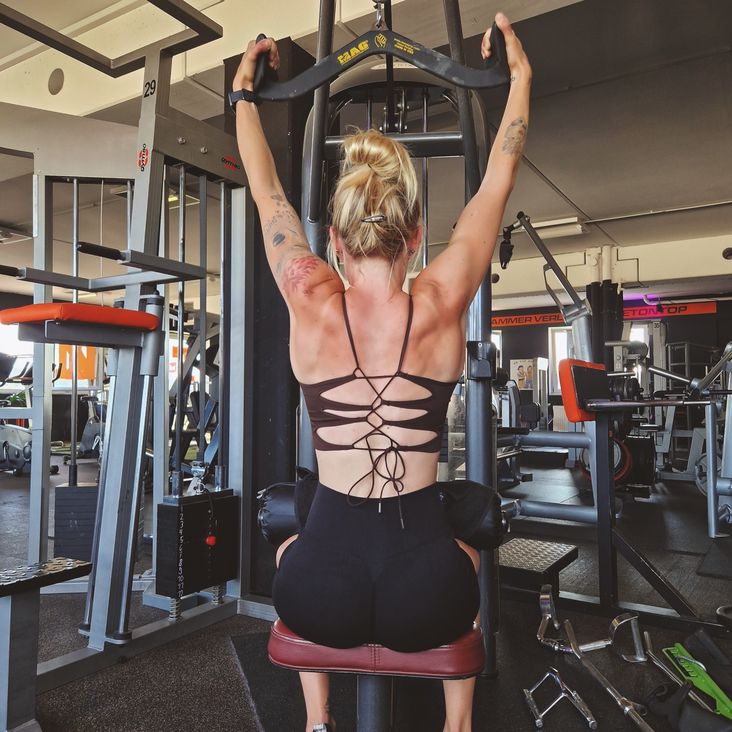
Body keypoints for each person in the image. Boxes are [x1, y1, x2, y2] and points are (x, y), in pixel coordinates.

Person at [233, 13, 531, 732]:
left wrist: (244, 95)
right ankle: (458, 726)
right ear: (419, 235)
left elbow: (265, 185)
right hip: (427, 594)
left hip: (318, 595)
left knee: (291, 538)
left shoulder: (309, 295)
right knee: (467, 546)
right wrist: (520, 80)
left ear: (333, 240)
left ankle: (316, 720)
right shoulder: (441, 298)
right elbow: (499, 177)